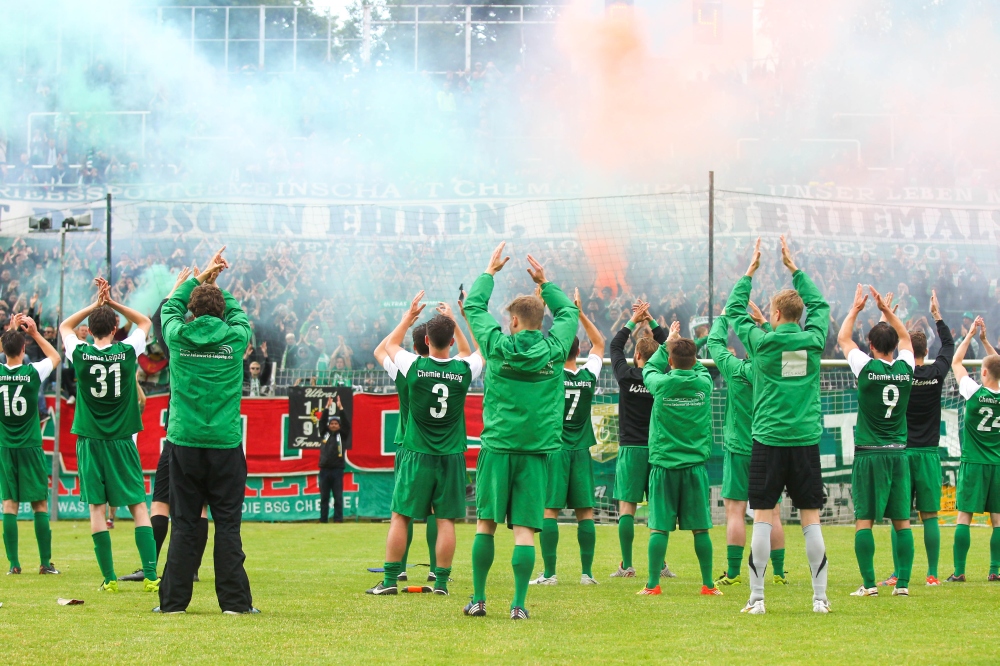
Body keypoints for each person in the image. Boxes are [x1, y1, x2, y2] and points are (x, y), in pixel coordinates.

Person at [462, 242, 579, 620]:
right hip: (536, 451)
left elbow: (473, 307)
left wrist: (489, 273)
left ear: (513, 322)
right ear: (540, 322)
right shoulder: (556, 349)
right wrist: (545, 283)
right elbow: (569, 312)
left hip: (498, 447)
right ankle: (518, 605)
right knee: (525, 530)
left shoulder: (496, 346)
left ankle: (479, 600)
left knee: (485, 525)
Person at [727, 236, 832, 615]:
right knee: (811, 520)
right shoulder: (814, 340)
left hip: (768, 441)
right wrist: (795, 269)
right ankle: (820, 599)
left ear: (773, 314)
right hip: (804, 441)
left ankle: (757, 599)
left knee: (762, 518)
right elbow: (821, 305)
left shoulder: (762, 343)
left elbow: (733, 310)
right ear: (799, 315)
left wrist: (749, 272)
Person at [155, 247, 258, 615]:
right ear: (222, 310)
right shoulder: (235, 339)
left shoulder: (178, 336)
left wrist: (199, 280)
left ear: (192, 311)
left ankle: (173, 604)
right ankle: (235, 604)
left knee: (183, 523)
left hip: (184, 443)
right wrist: (217, 285)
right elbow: (240, 315)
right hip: (225, 444)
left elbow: (169, 307)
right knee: (228, 524)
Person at [367, 295, 482, 596]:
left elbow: (390, 346)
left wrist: (408, 317)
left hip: (416, 452)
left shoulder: (413, 366)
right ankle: (441, 582)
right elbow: (481, 350)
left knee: (401, 516)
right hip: (451, 455)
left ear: (426, 340)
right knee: (445, 520)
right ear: (451, 341)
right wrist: (460, 319)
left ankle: (390, 581)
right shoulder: (463, 369)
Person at [59, 278, 158, 593]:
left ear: (89, 330)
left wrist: (96, 304)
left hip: (90, 440)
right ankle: (151, 575)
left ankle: (110, 578)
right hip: (122, 440)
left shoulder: (80, 351)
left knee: (97, 509)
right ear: (116, 329)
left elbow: (64, 326)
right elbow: (144, 321)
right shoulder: (127, 351)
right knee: (138, 506)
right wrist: (112, 302)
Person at [120, 267, 209, 584]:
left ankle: (149, 567)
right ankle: (192, 568)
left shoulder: (180, 344)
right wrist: (209, 289)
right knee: (199, 506)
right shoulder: (227, 343)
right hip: (211, 436)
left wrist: (183, 286)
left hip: (179, 433)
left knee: (160, 501)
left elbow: (160, 319)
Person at [838, 284, 916, 598]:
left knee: (864, 521)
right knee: (902, 522)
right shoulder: (906, 368)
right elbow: (907, 338)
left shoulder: (865, 367)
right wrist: (886, 312)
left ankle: (869, 585)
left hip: (869, 453)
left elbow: (843, 338)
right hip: (898, 453)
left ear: (870, 346)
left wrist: (856, 309)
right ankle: (903, 585)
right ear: (895, 346)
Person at [707, 303, 788, 588]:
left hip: (739, 449)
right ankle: (779, 573)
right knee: (773, 512)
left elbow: (714, 343)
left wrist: (724, 317)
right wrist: (765, 323)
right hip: (769, 447)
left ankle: (733, 573)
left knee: (735, 510)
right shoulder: (774, 371)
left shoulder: (735, 369)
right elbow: (779, 347)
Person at [637, 325, 720, 597]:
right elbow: (695, 366)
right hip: (694, 468)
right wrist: (683, 351)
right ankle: (708, 585)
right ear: (695, 361)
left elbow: (649, 368)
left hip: (664, 466)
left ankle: (652, 585)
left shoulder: (661, 384)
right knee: (701, 529)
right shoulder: (704, 383)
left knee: (659, 528)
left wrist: (666, 344)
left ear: (670, 362)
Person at [531, 287, 604, 587]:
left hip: (555, 449)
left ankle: (549, 574)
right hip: (581, 450)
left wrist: (537, 304)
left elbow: (533, 342)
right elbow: (599, 343)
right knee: (585, 512)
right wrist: (580, 313)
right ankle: (587, 574)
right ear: (579, 351)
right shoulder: (588, 376)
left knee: (549, 509)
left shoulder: (550, 375)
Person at [882, 290, 953, 587]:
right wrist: (937, 316)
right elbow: (949, 346)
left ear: (907, 351)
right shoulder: (937, 373)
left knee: (900, 516)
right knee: (930, 515)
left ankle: (898, 573)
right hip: (928, 454)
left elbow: (883, 352)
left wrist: (888, 317)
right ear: (926, 350)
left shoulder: (901, 376)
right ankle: (932, 574)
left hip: (902, 451)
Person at [607, 300, 673, 579]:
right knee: (658, 510)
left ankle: (627, 566)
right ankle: (660, 565)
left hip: (631, 449)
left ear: (636, 356)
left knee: (627, 509)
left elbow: (614, 346)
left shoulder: (625, 376)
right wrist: (652, 321)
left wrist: (634, 320)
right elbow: (670, 345)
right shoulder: (662, 377)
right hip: (657, 449)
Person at [374, 322, 437, 583]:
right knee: (436, 511)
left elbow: (380, 351)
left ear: (413, 345)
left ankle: (399, 567)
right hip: (439, 447)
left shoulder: (403, 368)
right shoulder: (451, 370)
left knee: (403, 510)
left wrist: (405, 321)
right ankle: (436, 569)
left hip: (407, 445)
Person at [0, 314, 60, 575]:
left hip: (6, 446)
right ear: (24, 349)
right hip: (31, 446)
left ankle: (14, 564)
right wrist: (34, 333)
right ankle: (45, 563)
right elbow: (55, 357)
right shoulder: (32, 371)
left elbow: (7, 346)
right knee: (39, 505)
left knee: (9, 505)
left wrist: (11, 332)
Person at [947, 317, 1000, 583]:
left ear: (984, 373)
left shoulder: (973, 392)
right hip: (998, 465)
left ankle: (959, 571)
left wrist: (969, 336)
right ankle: (995, 570)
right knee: (998, 520)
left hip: (974, 461)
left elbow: (956, 362)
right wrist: (986, 342)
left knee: (964, 516)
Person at [318, 395, 352, 524]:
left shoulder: (342, 435)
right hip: (324, 470)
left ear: (339, 426)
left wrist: (341, 409)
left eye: (336, 424)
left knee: (338, 497)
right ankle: (323, 519)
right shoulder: (324, 434)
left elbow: (347, 425)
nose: (333, 425)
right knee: (324, 497)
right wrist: (327, 408)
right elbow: (322, 422)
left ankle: (338, 519)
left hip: (337, 470)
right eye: (331, 423)